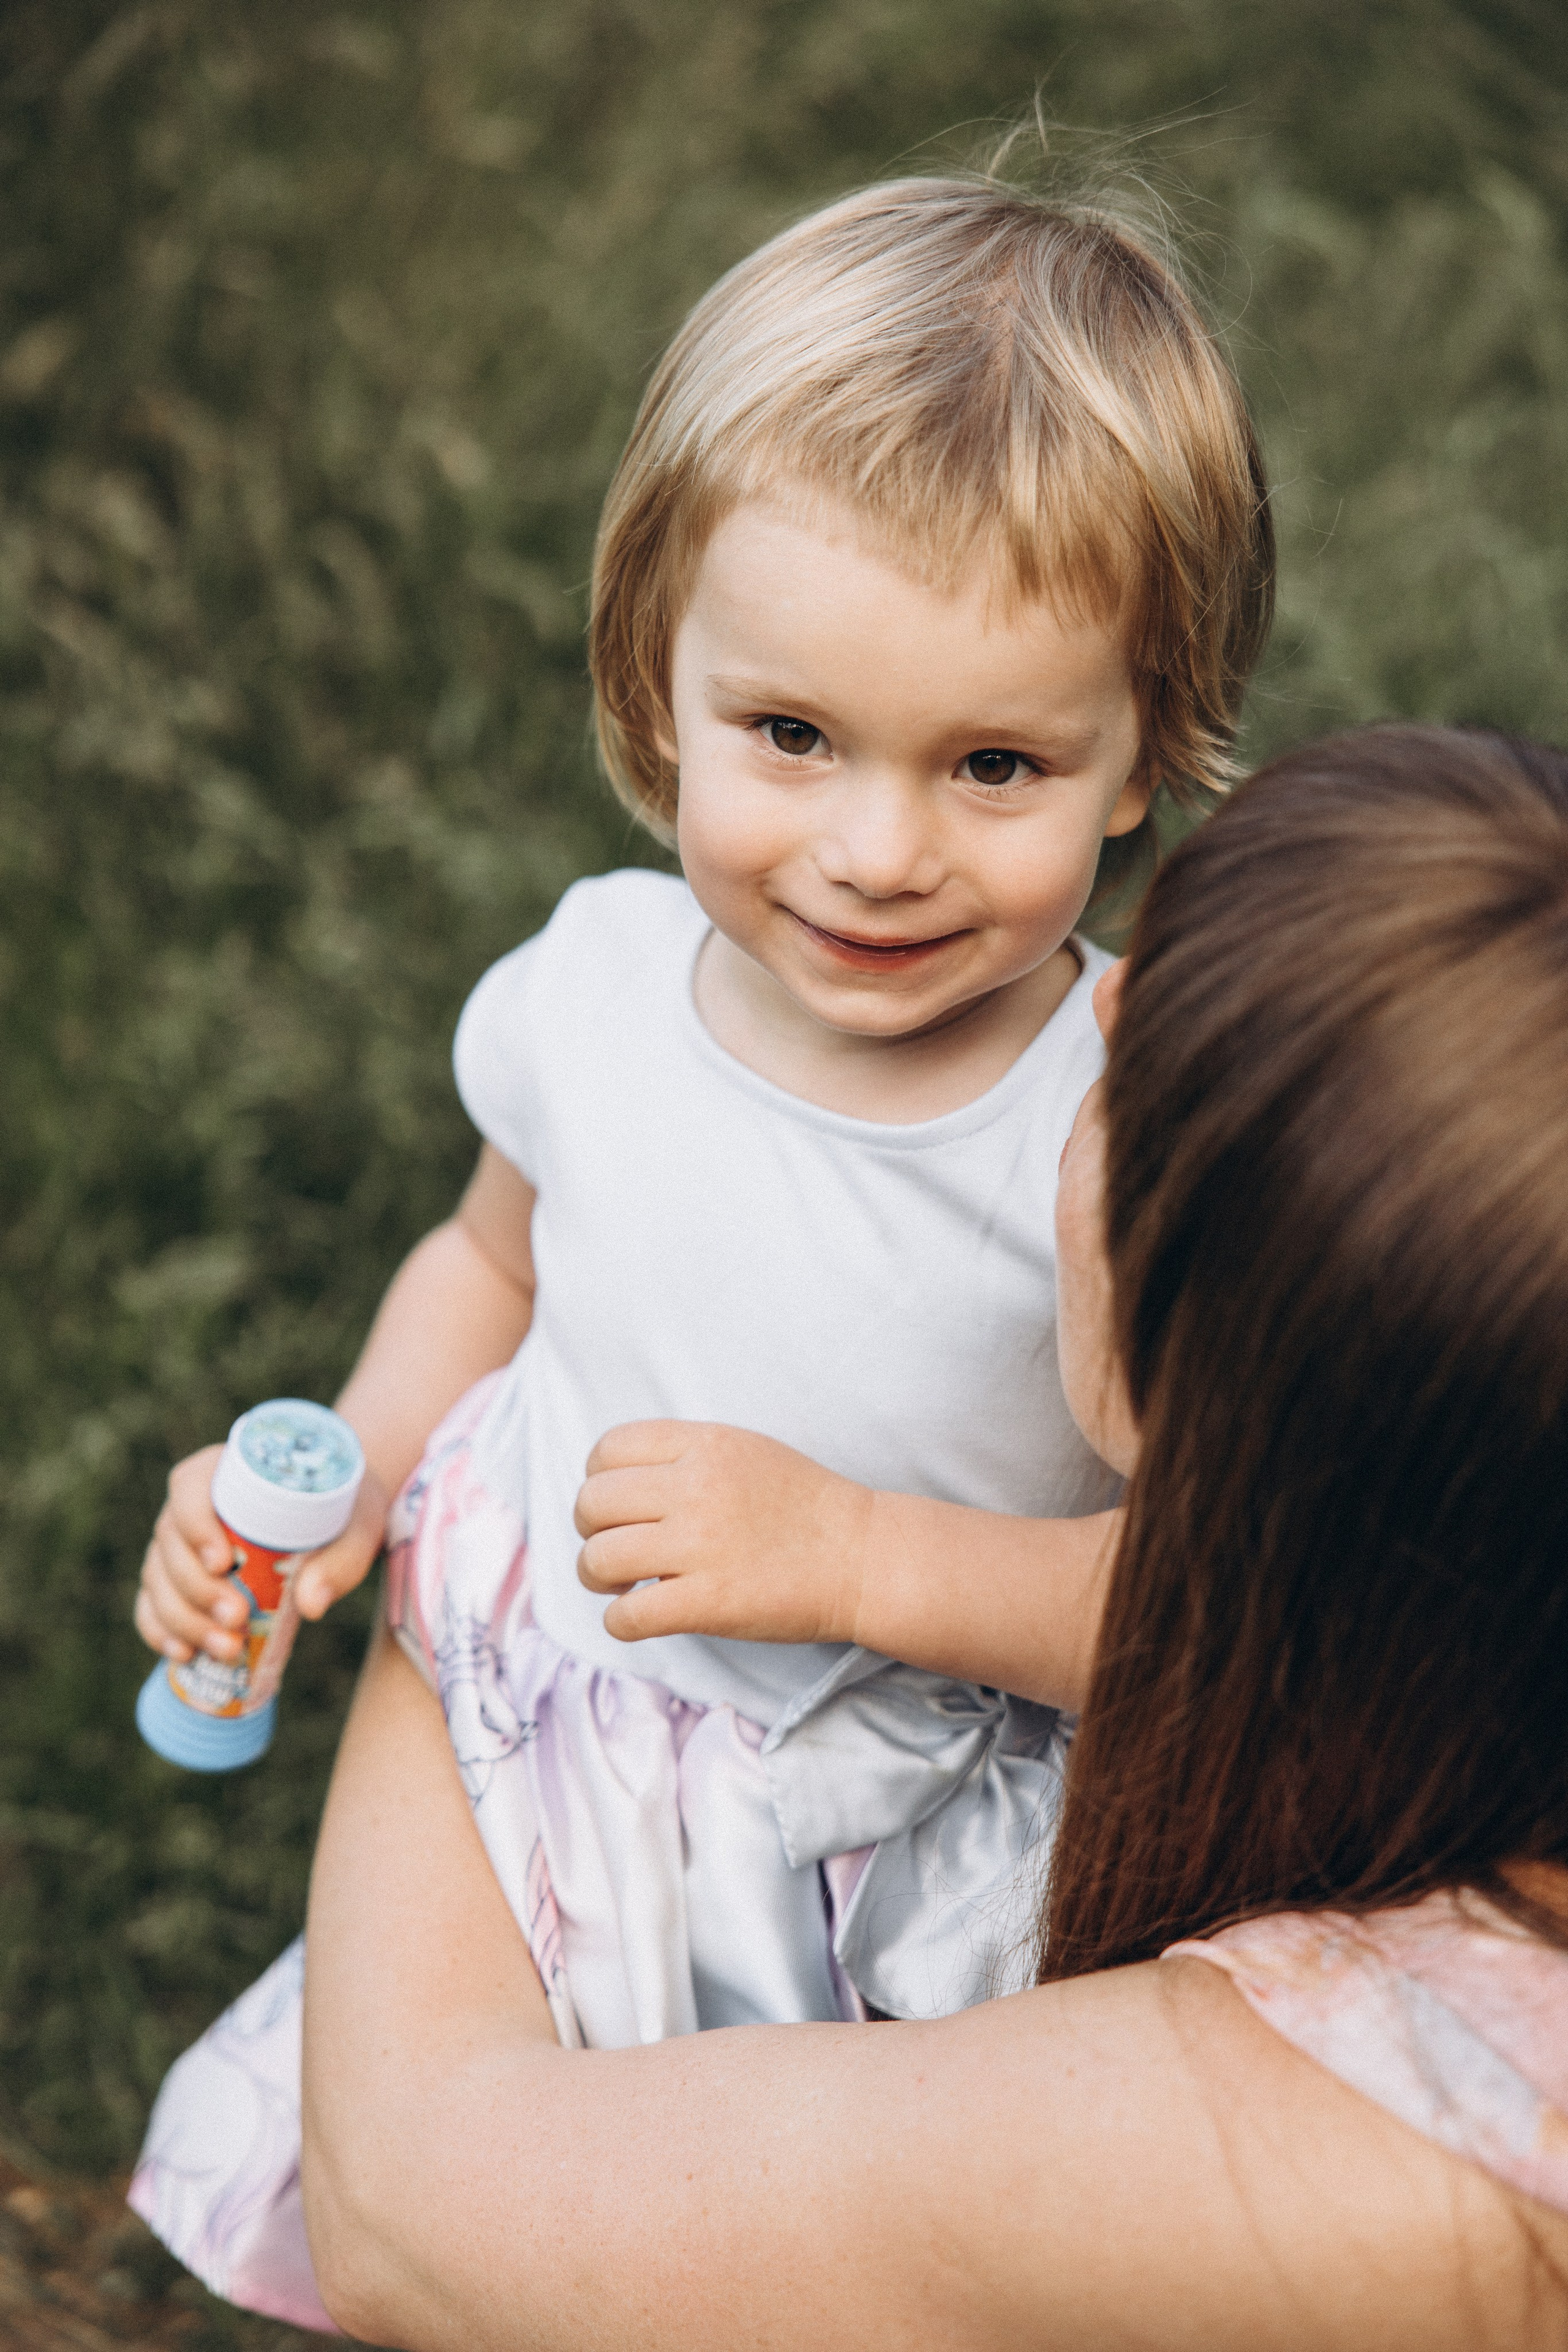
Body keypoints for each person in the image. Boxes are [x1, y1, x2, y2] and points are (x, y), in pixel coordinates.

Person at [128, 170, 1272, 2322]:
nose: (875, 849)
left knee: (773, 2268)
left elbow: (1210, 1610)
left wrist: (862, 1560)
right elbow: (493, 1262)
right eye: (792, 736)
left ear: (1146, 752)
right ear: (660, 674)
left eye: (997, 763)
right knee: (495, 2186)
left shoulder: (1135, 1114)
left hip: (897, 1820)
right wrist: (356, 1473)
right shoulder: (596, 981)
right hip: (557, 1707)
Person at [300, 723, 1568, 2350]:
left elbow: (417, 2208)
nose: (1094, 1036)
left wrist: (473, 1581)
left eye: (1128, 1094)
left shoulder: (1371, 2141)